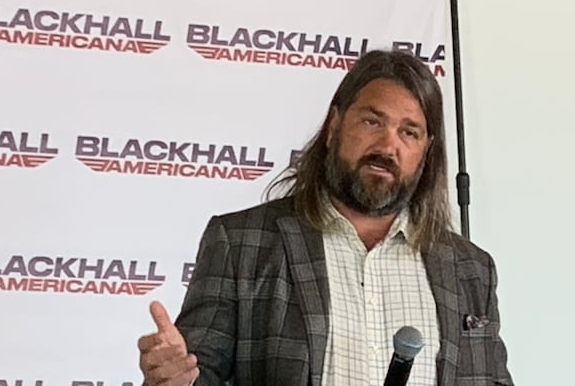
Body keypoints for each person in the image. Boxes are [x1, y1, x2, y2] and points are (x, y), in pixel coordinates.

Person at [137, 50, 513, 385]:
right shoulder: (241, 243)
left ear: (426, 151)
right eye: (372, 122)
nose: (387, 145)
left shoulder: (471, 269)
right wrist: (175, 380)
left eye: (409, 132)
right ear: (334, 127)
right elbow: (197, 373)